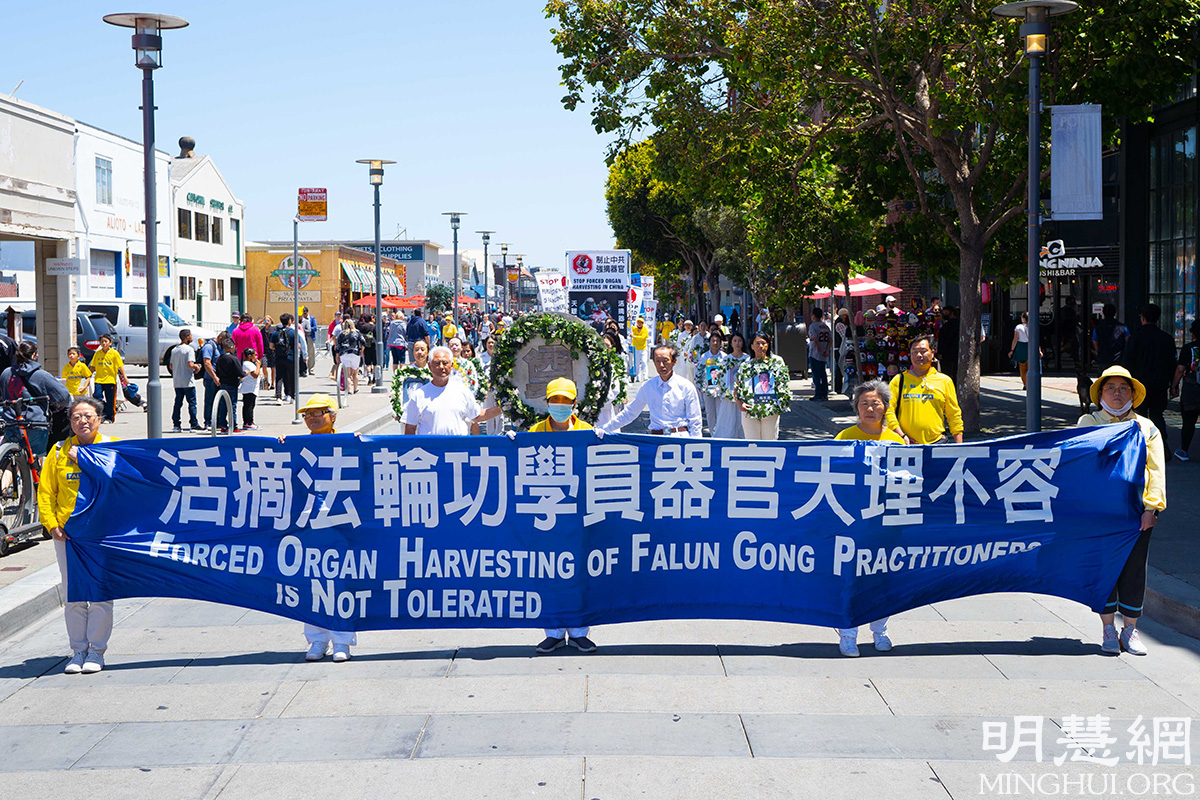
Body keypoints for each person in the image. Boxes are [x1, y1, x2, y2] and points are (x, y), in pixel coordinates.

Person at [1077, 366, 1166, 656]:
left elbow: (1156, 471)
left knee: (1134, 570)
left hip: (1136, 513)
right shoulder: (1088, 422)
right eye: (1110, 388)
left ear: (1133, 393)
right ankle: (1108, 629)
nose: (1117, 393)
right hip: (1100, 513)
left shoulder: (1147, 427)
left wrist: (1151, 508)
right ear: (1101, 393)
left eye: (1123, 388)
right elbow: (1079, 464)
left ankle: (1130, 629)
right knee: (1104, 569)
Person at [38, 397, 118, 674]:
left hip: (101, 534)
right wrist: (51, 525)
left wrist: (85, 460)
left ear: (99, 419)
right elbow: (46, 491)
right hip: (68, 536)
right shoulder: (59, 450)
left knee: (99, 593)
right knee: (74, 594)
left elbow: (119, 483)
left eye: (88, 416)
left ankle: (97, 651)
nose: (82, 421)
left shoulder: (113, 447)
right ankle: (78, 651)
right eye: (76, 417)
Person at [519, 378, 598, 654]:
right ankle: (552, 631)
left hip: (577, 515)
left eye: (566, 400)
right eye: (556, 400)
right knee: (548, 571)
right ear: (547, 402)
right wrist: (512, 445)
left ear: (575, 403)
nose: (560, 405)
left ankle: (578, 631)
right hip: (547, 514)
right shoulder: (535, 432)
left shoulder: (587, 431)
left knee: (579, 574)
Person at [831, 380, 903, 656]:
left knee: (882, 579)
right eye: (864, 404)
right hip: (852, 521)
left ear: (885, 407)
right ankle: (848, 634)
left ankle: (880, 632)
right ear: (857, 408)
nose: (870, 409)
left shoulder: (896, 441)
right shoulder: (845, 436)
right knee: (851, 578)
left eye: (876, 404)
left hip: (884, 523)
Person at [290, 394, 358, 662]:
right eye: (308, 414)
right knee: (310, 583)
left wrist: (361, 446)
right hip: (308, 525)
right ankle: (317, 640)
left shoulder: (349, 445)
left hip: (340, 525)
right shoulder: (296, 447)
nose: (312, 418)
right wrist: (279, 447)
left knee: (340, 583)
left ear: (333, 416)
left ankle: (342, 641)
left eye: (318, 413)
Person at [602, 344, 702, 437]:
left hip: (680, 437)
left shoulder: (686, 387)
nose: (661, 365)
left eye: (665, 360)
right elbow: (630, 412)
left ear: (674, 361)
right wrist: (604, 429)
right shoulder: (648, 386)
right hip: (656, 439)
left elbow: (695, 420)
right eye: (657, 361)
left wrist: (696, 444)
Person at [403, 346, 502, 435]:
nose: (441, 367)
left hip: (458, 448)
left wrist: (504, 407)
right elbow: (410, 427)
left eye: (445, 363)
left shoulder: (462, 391)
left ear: (451, 365)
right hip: (430, 449)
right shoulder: (419, 395)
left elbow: (477, 416)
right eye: (437, 363)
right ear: (429, 366)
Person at [885, 335, 963, 444]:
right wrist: (901, 435)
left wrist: (959, 445)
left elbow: (954, 414)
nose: (919, 355)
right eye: (914, 352)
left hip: (937, 443)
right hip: (906, 445)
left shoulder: (944, 381)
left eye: (923, 351)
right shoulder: (899, 380)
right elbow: (888, 410)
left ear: (932, 353)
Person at [1123, 303, 1176, 458]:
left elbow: (1127, 363)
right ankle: (1162, 446)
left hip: (1138, 384)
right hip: (1159, 384)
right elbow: (1172, 364)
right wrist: (1173, 385)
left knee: (1138, 415)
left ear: (1143, 318)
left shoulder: (1134, 338)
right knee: (1157, 415)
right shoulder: (1167, 339)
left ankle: (1138, 448)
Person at [1, 341, 71, 456]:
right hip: (34, 422)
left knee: (12, 457)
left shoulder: (6, 373)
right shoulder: (41, 375)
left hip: (10, 421)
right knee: (36, 456)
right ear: (34, 355)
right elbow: (64, 397)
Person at [735, 332, 790, 440]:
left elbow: (785, 383)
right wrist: (740, 404)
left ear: (768, 345)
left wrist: (780, 402)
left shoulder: (777, 362)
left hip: (770, 410)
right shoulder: (746, 365)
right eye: (757, 343)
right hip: (750, 410)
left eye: (763, 343)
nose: (760, 346)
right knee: (752, 442)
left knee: (769, 441)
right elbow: (737, 387)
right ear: (752, 346)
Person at [1171, 319, 1200, 461]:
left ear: (1193, 333)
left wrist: (1174, 386)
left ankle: (1184, 451)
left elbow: (1180, 369)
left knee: (1189, 421)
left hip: (1192, 390)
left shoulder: (1189, 348)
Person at [712, 331, 748, 439]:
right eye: (735, 341)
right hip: (729, 394)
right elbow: (720, 377)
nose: (737, 343)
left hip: (744, 395)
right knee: (728, 419)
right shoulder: (726, 359)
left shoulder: (747, 359)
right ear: (731, 343)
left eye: (739, 341)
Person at [170, 330, 202, 433]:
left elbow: (171, 366)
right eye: (191, 335)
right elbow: (190, 364)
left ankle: (176, 424)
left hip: (177, 381)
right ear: (187, 337)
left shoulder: (174, 350)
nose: (192, 337)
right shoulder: (189, 349)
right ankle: (194, 424)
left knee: (178, 403)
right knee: (192, 403)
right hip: (188, 381)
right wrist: (197, 366)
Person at [90, 334, 126, 424]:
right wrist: (87, 376)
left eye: (106, 341)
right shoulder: (97, 353)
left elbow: (120, 366)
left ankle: (109, 417)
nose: (104, 343)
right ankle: (102, 414)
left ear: (110, 343)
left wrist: (125, 377)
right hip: (99, 379)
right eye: (102, 341)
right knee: (97, 396)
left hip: (110, 380)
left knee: (110, 400)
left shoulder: (114, 353)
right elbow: (93, 366)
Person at [697, 330, 726, 434]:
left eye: (717, 341)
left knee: (720, 412)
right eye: (713, 341)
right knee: (710, 412)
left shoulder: (724, 357)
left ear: (721, 343)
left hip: (720, 389)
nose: (715, 343)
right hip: (707, 388)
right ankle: (712, 433)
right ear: (709, 343)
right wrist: (700, 386)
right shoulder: (704, 356)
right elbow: (699, 371)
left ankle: (719, 432)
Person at [214, 338, 245, 433]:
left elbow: (217, 371)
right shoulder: (233, 359)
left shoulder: (219, 358)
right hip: (232, 384)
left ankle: (223, 426)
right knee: (232, 406)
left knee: (223, 405)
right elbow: (240, 372)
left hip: (223, 383)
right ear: (232, 347)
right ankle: (234, 426)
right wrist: (245, 373)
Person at [1007, 312, 1041, 390]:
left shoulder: (1018, 327)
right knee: (1030, 367)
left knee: (1022, 368)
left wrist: (1012, 350)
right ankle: (1030, 383)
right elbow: (1036, 340)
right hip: (1030, 347)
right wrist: (1039, 350)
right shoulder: (1033, 327)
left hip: (1021, 347)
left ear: (1023, 318)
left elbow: (1015, 339)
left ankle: (1025, 384)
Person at [1092, 303, 1128, 369]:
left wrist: (1098, 352)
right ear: (1115, 314)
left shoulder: (1097, 328)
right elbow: (1128, 341)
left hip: (1103, 360)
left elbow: (1095, 342)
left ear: (1103, 314)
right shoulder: (1123, 327)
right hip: (1118, 360)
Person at [807, 308, 831, 401]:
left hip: (815, 353)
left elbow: (815, 339)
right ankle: (825, 393)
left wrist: (821, 350)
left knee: (816, 375)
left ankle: (818, 394)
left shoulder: (813, 326)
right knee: (823, 374)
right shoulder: (825, 326)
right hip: (824, 353)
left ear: (813, 315)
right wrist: (826, 350)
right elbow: (830, 339)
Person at [275, 314, 299, 403]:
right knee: (291, 377)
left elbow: (271, 346)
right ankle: (292, 396)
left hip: (279, 357)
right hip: (290, 357)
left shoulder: (276, 332)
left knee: (279, 377)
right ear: (289, 321)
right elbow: (297, 345)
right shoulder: (293, 332)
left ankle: (278, 396)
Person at [337, 320, 365, 394]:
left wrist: (337, 356)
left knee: (347, 374)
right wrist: (361, 352)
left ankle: (349, 390)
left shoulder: (341, 334)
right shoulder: (357, 333)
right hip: (355, 354)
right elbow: (364, 342)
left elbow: (338, 346)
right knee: (355, 373)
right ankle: (355, 389)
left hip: (344, 354)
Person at [937, 307, 960, 385]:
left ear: (952, 313)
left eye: (945, 313)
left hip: (947, 354)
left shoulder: (948, 325)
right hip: (956, 353)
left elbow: (944, 340)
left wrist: (940, 352)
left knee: (947, 374)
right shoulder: (960, 324)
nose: (944, 315)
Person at [239, 348, 261, 431]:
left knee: (248, 405)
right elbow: (255, 375)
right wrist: (258, 365)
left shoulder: (247, 363)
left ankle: (247, 422)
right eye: (255, 355)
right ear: (249, 356)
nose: (256, 357)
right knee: (249, 406)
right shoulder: (248, 364)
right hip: (249, 388)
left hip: (250, 388)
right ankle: (249, 422)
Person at [630, 316, 650, 382]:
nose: (639, 323)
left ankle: (645, 377)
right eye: (638, 322)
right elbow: (628, 325)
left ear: (643, 323)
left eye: (641, 322)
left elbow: (642, 337)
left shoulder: (645, 330)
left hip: (643, 348)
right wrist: (629, 318)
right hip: (636, 348)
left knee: (644, 362)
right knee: (637, 363)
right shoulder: (634, 329)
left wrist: (634, 336)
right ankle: (638, 377)